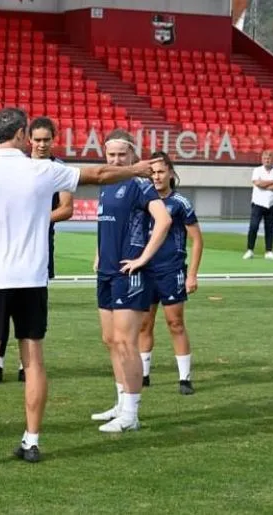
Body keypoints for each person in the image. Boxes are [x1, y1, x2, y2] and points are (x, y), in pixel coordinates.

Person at [0, 108, 163, 467]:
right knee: (34, 361)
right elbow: (100, 173)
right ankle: (31, 442)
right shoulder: (42, 169)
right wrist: (135, 169)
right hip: (32, 279)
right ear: (24, 134)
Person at [89, 129, 172, 433]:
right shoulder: (106, 185)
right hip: (107, 272)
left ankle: (132, 413)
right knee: (110, 340)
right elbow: (108, 225)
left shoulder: (140, 186)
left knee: (126, 342)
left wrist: (142, 259)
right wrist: (99, 253)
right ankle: (121, 402)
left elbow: (163, 220)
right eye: (111, 155)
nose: (115, 160)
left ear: (134, 157)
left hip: (130, 274)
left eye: (121, 155)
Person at [0, 117, 74, 384]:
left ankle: (24, 364)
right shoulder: (17, 165)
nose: (41, 145)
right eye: (37, 140)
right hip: (7, 244)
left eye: (46, 140)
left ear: (54, 139)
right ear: (28, 139)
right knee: (1, 304)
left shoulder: (59, 168)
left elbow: (66, 208)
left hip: (39, 247)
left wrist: (37, 218)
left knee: (29, 305)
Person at [138, 152, 203, 395]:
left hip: (172, 270)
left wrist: (192, 275)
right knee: (144, 324)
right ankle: (143, 375)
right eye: (152, 172)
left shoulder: (180, 203)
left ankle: (184, 378)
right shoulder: (142, 200)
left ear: (170, 173)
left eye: (161, 171)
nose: (156, 176)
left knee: (175, 323)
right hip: (145, 271)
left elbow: (197, 241)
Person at [244, 150, 273, 260]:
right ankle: (250, 250)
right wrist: (272, 181)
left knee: (269, 228)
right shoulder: (257, 170)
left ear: (272, 159)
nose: (267, 160)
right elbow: (257, 183)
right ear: (262, 159)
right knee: (254, 226)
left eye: (269, 158)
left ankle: (269, 251)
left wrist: (266, 185)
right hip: (258, 203)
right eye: (265, 158)